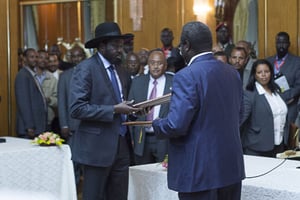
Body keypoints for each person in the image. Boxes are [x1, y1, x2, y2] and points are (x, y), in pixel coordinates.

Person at [152, 21, 245, 200]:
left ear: (186, 45)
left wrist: (157, 124)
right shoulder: (231, 72)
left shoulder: (185, 76)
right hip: (230, 168)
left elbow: (176, 125)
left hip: (198, 172)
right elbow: (238, 116)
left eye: (180, 45)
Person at [69, 22, 140, 200]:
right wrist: (114, 109)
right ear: (102, 46)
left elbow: (121, 103)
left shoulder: (121, 70)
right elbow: (77, 108)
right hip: (96, 149)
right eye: (115, 46)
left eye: (121, 46)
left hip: (122, 146)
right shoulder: (86, 69)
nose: (120, 50)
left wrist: (134, 110)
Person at [128, 49, 173, 165]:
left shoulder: (174, 82)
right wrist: (132, 138)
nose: (156, 66)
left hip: (165, 139)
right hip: (142, 139)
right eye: (152, 63)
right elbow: (130, 113)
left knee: (162, 177)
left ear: (166, 65)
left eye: (160, 63)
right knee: (142, 177)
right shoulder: (137, 82)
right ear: (148, 64)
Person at [241, 59, 288, 157]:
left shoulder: (277, 91)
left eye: (266, 71)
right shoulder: (249, 94)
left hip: (279, 145)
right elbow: (241, 119)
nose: (263, 75)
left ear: (271, 73)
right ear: (254, 74)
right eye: (259, 72)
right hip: (257, 147)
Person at [58, 45, 86, 191]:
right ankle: (73, 192)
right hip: (72, 127)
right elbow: (61, 101)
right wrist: (63, 124)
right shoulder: (64, 76)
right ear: (70, 58)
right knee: (73, 162)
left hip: (89, 125)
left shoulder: (91, 72)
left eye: (79, 55)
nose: (76, 59)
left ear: (84, 56)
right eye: (73, 56)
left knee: (88, 165)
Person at [266, 32, 300, 140]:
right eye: (279, 42)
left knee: (287, 137)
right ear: (275, 44)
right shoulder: (268, 61)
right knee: (271, 133)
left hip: (289, 104)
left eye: (284, 42)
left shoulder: (297, 62)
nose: (281, 45)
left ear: (289, 44)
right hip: (270, 104)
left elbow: (299, 85)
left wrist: (285, 97)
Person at [15, 48, 47, 138]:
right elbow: (24, 103)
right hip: (29, 129)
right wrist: (29, 126)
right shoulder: (23, 75)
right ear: (24, 59)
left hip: (37, 126)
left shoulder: (31, 74)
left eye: (37, 57)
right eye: (32, 57)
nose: (35, 59)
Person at [35, 50, 58, 131]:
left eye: (46, 58)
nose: (43, 60)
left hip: (47, 120)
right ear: (36, 59)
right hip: (32, 119)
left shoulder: (52, 79)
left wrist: (49, 99)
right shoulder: (30, 76)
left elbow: (57, 100)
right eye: (41, 57)